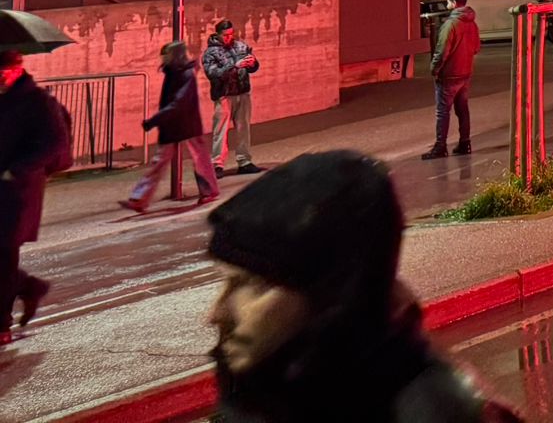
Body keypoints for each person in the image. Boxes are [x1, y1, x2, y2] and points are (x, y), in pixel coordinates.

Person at [206, 150, 521, 421]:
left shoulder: (437, 412)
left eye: (254, 285)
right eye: (226, 282)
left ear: (331, 294)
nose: (217, 314)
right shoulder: (262, 389)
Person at [0, 51, 60, 343]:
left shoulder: (37, 101)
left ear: (17, 68)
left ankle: (2, 325)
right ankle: (29, 286)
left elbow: (54, 143)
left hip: (18, 192)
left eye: (3, 71)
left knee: (4, 257)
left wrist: (18, 169)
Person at [125, 41, 219, 211]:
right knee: (166, 161)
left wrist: (155, 120)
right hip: (177, 124)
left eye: (167, 55)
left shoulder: (184, 75)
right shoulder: (176, 72)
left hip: (184, 123)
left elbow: (178, 103)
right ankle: (139, 199)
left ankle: (209, 190)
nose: (164, 58)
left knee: (197, 159)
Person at [422, 0, 481, 160]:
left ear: (454, 3)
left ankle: (440, 146)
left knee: (443, 111)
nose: (447, 5)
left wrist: (435, 69)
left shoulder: (450, 25)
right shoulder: (472, 24)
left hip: (449, 74)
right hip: (465, 72)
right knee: (462, 109)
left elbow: (441, 51)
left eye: (448, 2)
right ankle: (465, 143)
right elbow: (476, 47)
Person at [203, 18, 262, 176]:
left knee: (243, 128)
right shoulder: (210, 52)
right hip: (224, 95)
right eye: (225, 35)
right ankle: (217, 164)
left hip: (242, 92)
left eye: (231, 34)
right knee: (220, 130)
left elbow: (254, 67)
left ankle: (244, 161)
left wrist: (252, 63)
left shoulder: (241, 46)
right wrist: (234, 66)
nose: (229, 37)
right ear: (218, 34)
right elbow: (212, 73)